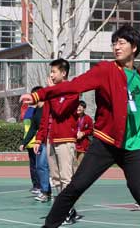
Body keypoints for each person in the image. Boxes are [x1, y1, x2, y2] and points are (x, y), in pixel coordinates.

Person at [21, 25, 140, 228]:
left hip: (134, 147)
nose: (116, 47)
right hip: (106, 142)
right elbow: (73, 85)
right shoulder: (105, 70)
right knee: (75, 187)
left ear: (134, 47)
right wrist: (39, 95)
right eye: (114, 43)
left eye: (121, 42)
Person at [34, 59, 80, 224]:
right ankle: (64, 209)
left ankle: (67, 210)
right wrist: (39, 139)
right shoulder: (50, 94)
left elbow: (60, 111)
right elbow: (45, 117)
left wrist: (51, 91)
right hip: (50, 140)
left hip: (65, 139)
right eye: (51, 72)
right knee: (55, 178)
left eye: (54, 72)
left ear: (64, 73)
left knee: (66, 178)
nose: (51, 75)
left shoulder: (72, 91)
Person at [20, 86, 44, 196]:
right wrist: (24, 143)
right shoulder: (30, 111)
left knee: (42, 166)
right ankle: (38, 186)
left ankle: (43, 187)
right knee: (35, 166)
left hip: (41, 142)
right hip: (33, 143)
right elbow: (32, 129)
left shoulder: (44, 109)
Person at [75, 101, 93, 167]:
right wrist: (75, 133)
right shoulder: (72, 117)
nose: (78, 108)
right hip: (72, 143)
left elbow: (91, 130)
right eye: (77, 106)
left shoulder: (88, 119)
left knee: (80, 164)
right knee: (70, 164)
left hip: (82, 145)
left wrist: (83, 133)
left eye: (80, 107)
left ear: (84, 109)